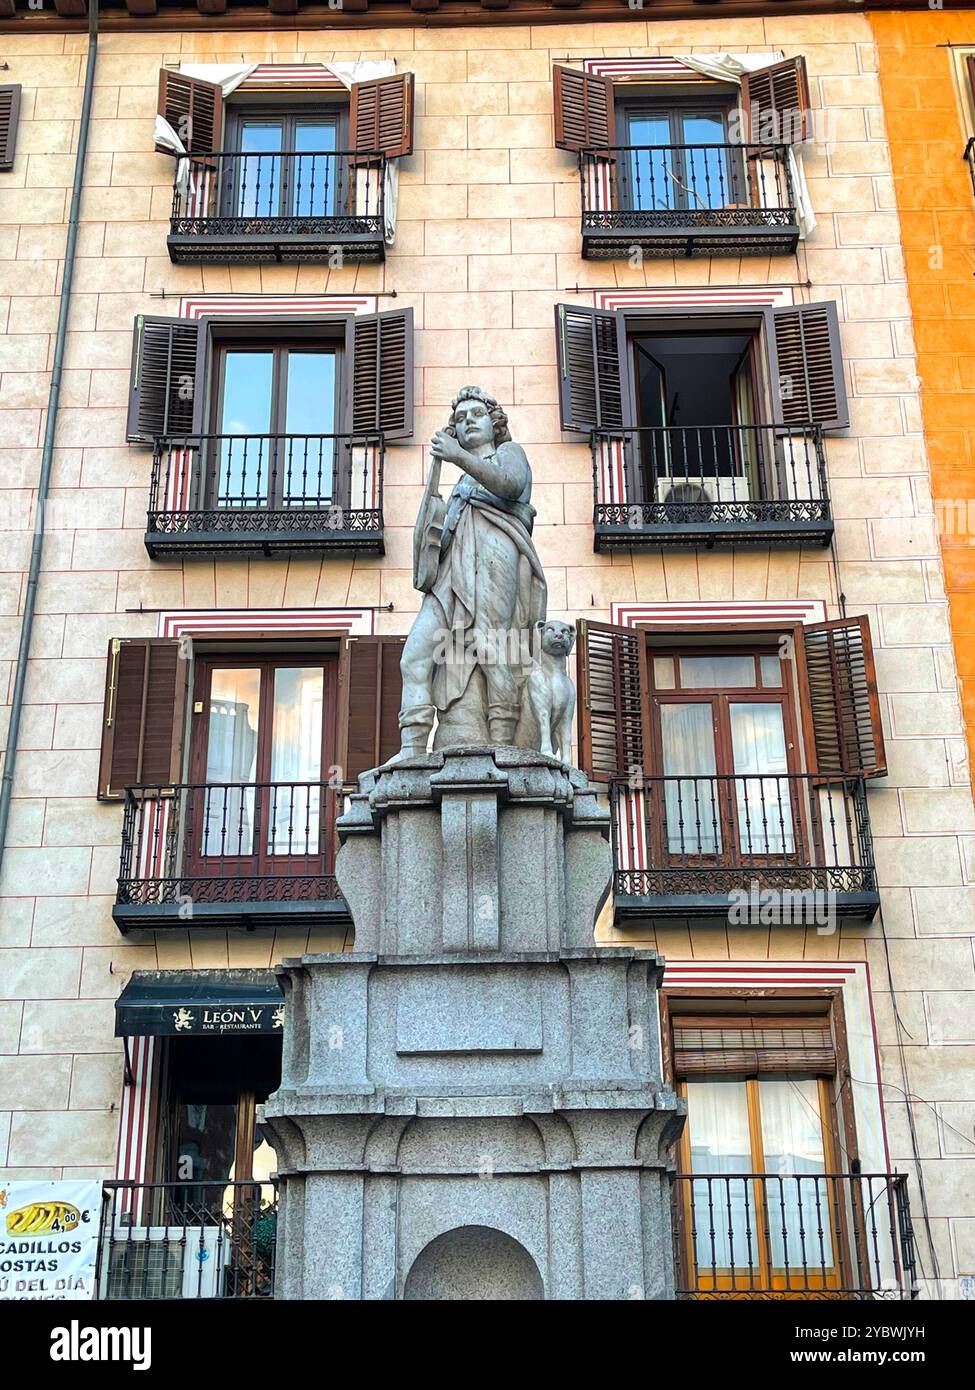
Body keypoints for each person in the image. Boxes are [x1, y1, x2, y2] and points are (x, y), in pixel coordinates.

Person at [397, 386, 547, 755]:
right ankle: (412, 748)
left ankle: (503, 743)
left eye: (476, 415)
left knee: (493, 646)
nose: (468, 423)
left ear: (494, 422)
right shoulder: (461, 482)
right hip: (451, 576)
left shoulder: (509, 453)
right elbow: (438, 536)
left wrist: (459, 457)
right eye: (460, 419)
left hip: (497, 557)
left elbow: (510, 485)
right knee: (414, 655)